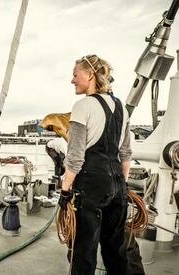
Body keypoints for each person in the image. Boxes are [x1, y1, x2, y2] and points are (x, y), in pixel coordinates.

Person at [58, 54, 133, 275]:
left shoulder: (82, 106)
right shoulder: (122, 108)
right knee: (116, 251)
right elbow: (126, 153)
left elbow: (75, 157)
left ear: (89, 74)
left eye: (75, 75)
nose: (72, 80)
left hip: (90, 188)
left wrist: (64, 191)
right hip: (117, 186)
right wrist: (123, 186)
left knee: (83, 253)